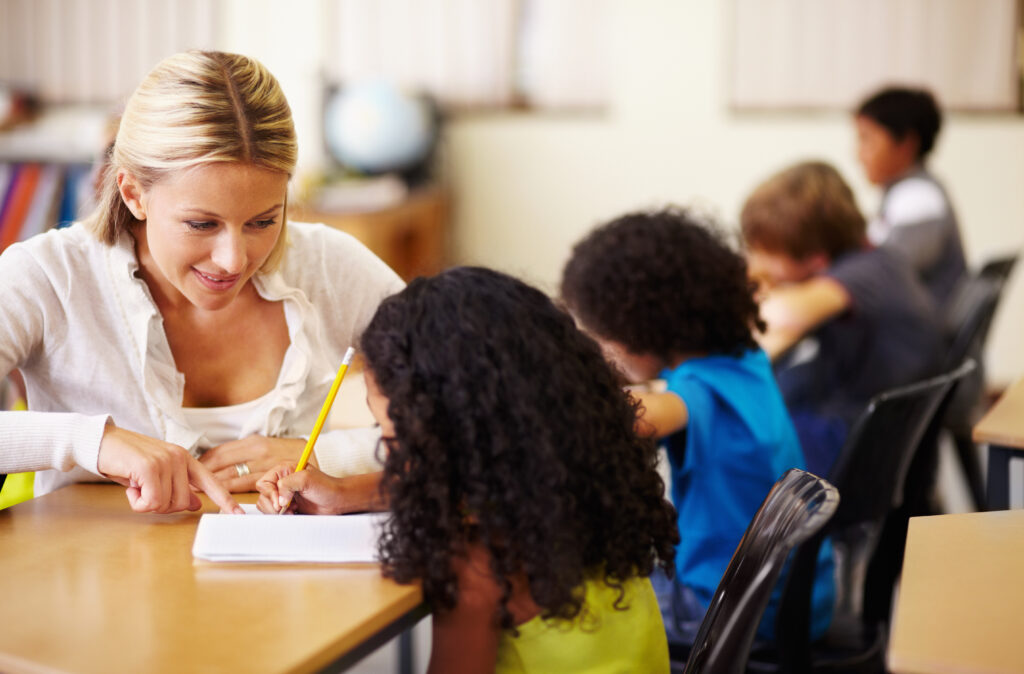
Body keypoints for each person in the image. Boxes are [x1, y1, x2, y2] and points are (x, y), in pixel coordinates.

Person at [0, 50, 403, 514]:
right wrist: (91, 441)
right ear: (133, 194)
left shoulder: (329, 267)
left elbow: (469, 410)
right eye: (201, 224)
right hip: (90, 560)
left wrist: (325, 457)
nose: (234, 260)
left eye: (263, 221)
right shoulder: (48, 274)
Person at [257, 267, 680, 673]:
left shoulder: (479, 564)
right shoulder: (580, 492)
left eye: (392, 436)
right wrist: (346, 494)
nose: (391, 455)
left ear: (452, 435)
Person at [558, 207, 834, 646]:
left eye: (598, 334)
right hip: (797, 601)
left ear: (635, 326)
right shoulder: (745, 361)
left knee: (563, 604)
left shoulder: (697, 394)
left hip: (726, 616)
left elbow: (638, 416)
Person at [741, 160, 943, 477]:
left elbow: (784, 313)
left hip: (863, 442)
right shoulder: (874, 259)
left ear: (814, 258)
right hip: (875, 426)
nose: (760, 262)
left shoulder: (863, 273)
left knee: (740, 441)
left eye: (768, 251)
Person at [855, 86, 967, 310]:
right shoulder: (905, 193)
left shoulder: (918, 198)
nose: (858, 154)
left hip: (922, 327)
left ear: (906, 143)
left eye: (867, 140)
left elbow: (883, 276)